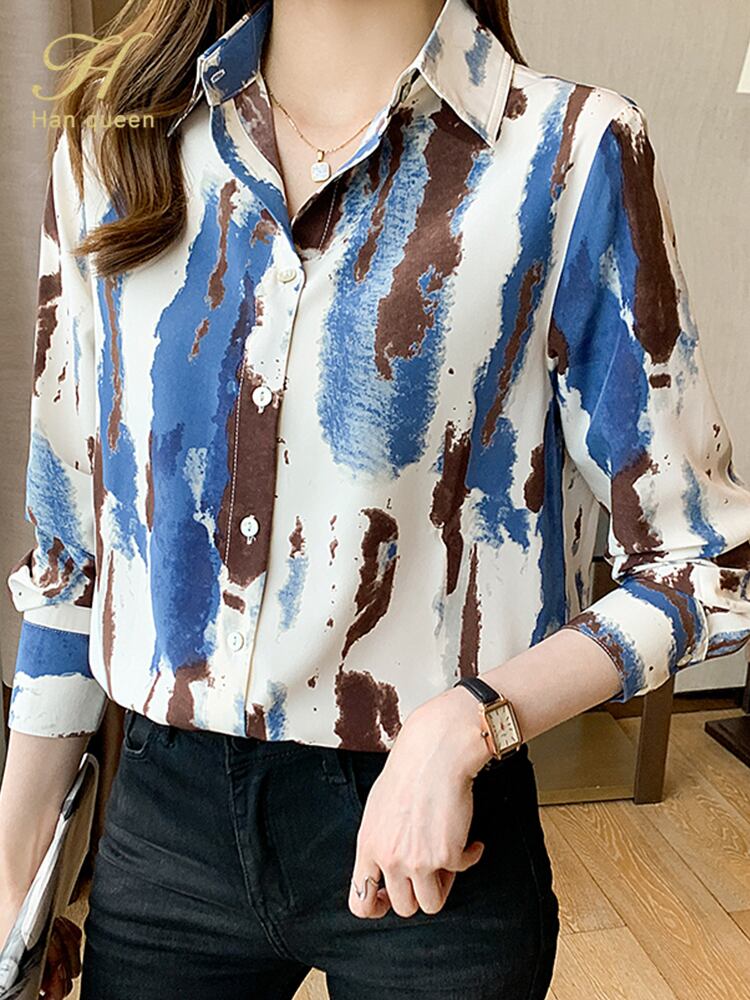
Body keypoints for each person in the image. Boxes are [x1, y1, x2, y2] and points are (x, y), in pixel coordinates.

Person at [2, 0, 750, 997]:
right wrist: (15, 877)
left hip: (439, 839)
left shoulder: (570, 155)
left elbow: (705, 561)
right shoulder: (115, 143)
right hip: (165, 826)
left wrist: (471, 722)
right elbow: (72, 553)